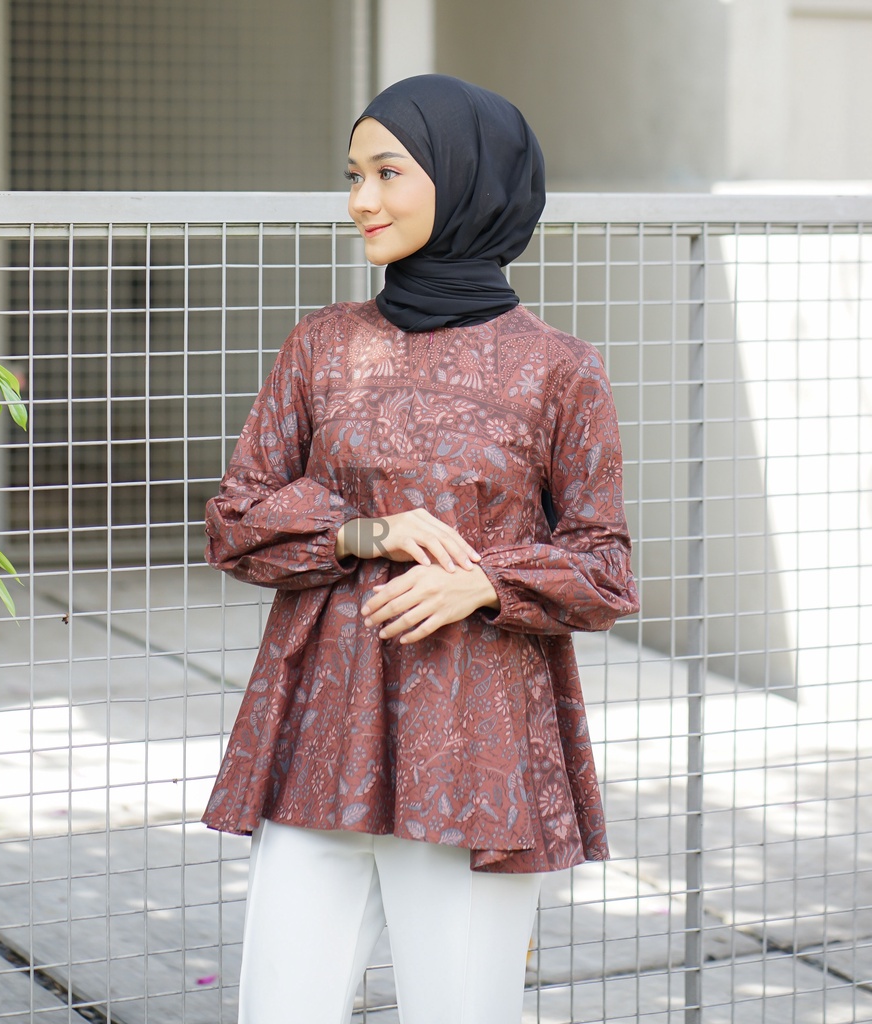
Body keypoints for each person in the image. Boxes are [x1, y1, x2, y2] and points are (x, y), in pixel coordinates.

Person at [202, 74, 640, 1024]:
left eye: (387, 172)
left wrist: (483, 583)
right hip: (322, 731)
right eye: (352, 175)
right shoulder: (321, 345)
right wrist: (368, 532)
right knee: (278, 1008)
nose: (360, 199)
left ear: (467, 177)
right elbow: (235, 523)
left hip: (474, 744)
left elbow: (605, 569)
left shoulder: (559, 369)